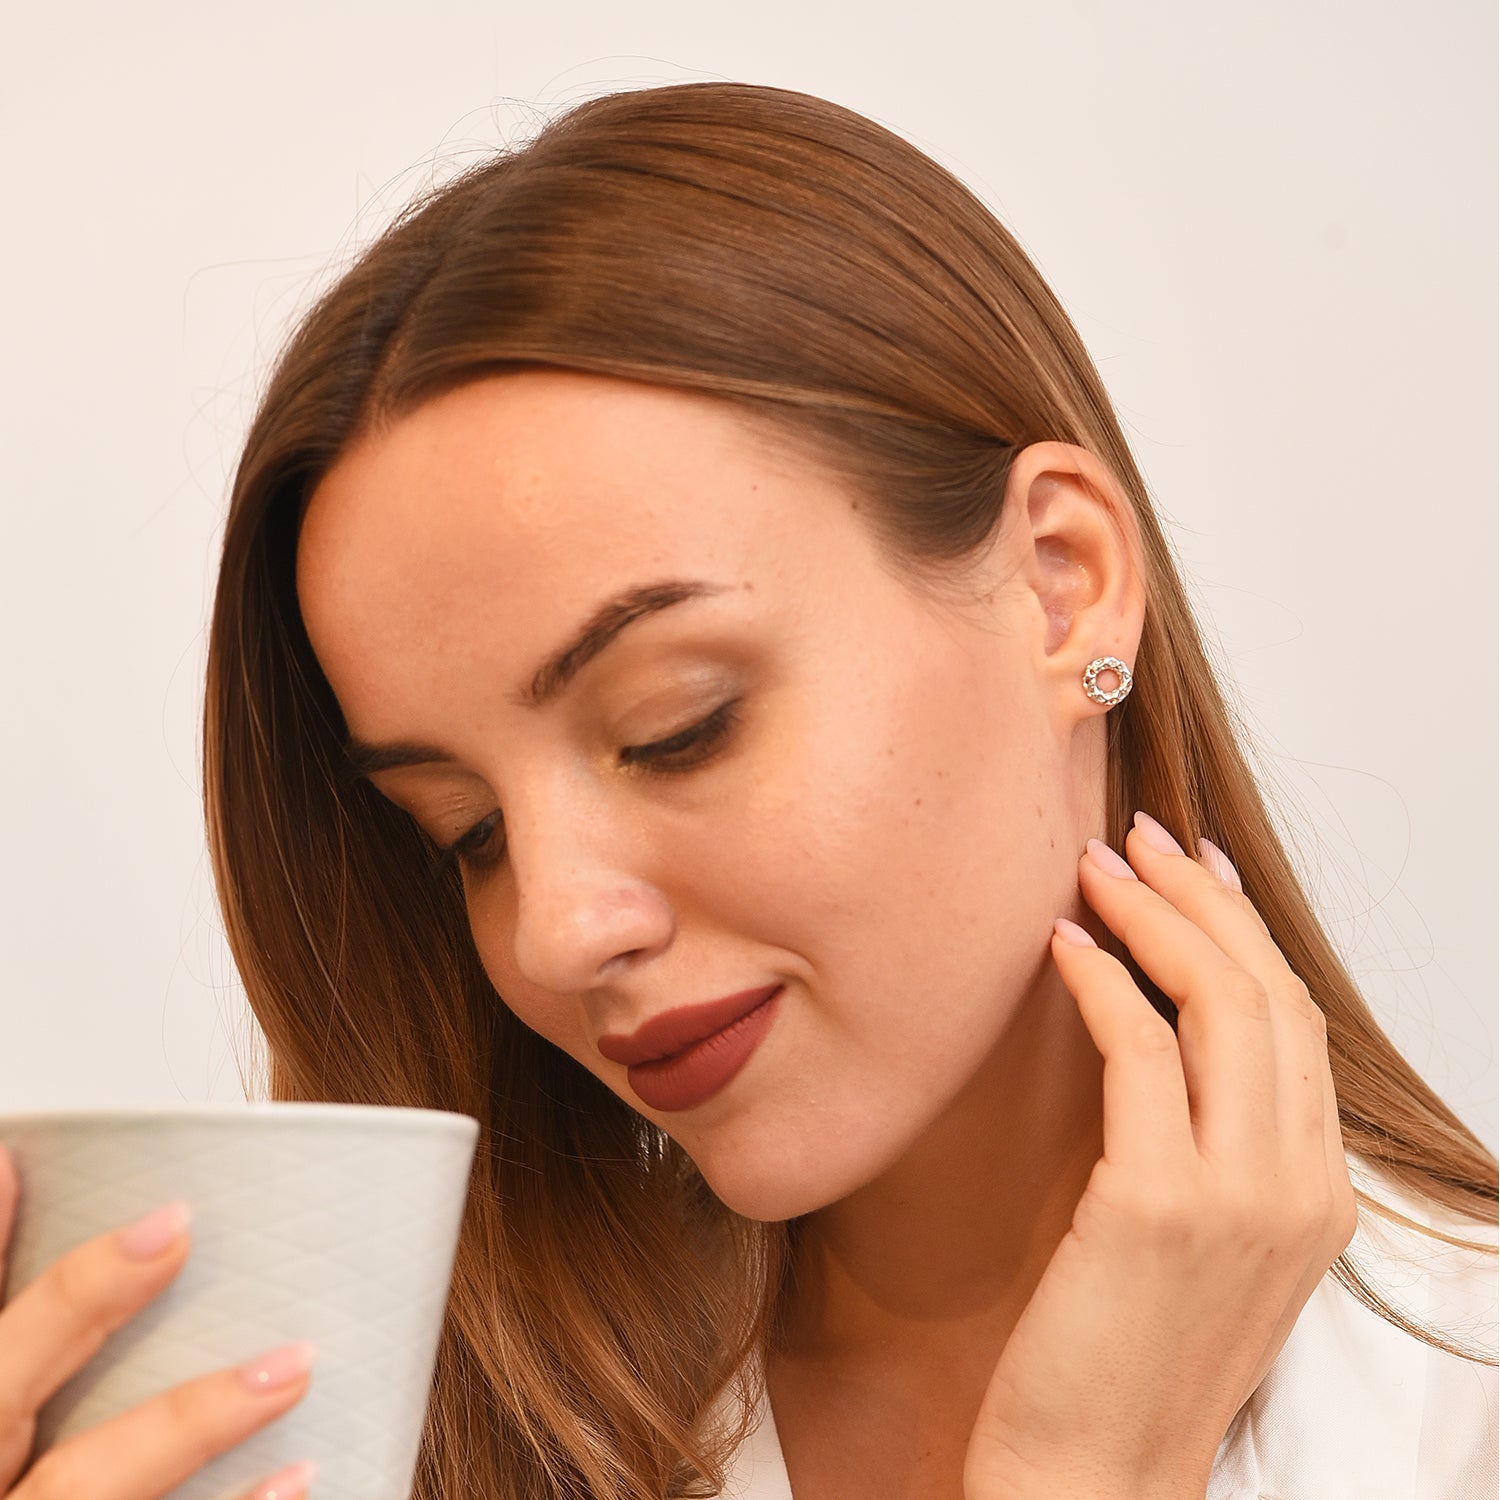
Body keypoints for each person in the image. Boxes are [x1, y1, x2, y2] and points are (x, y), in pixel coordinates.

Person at [0, 82, 1492, 1500]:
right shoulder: (375, 1430)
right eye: (468, 834)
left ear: (1062, 587)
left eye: (676, 727)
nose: (555, 935)